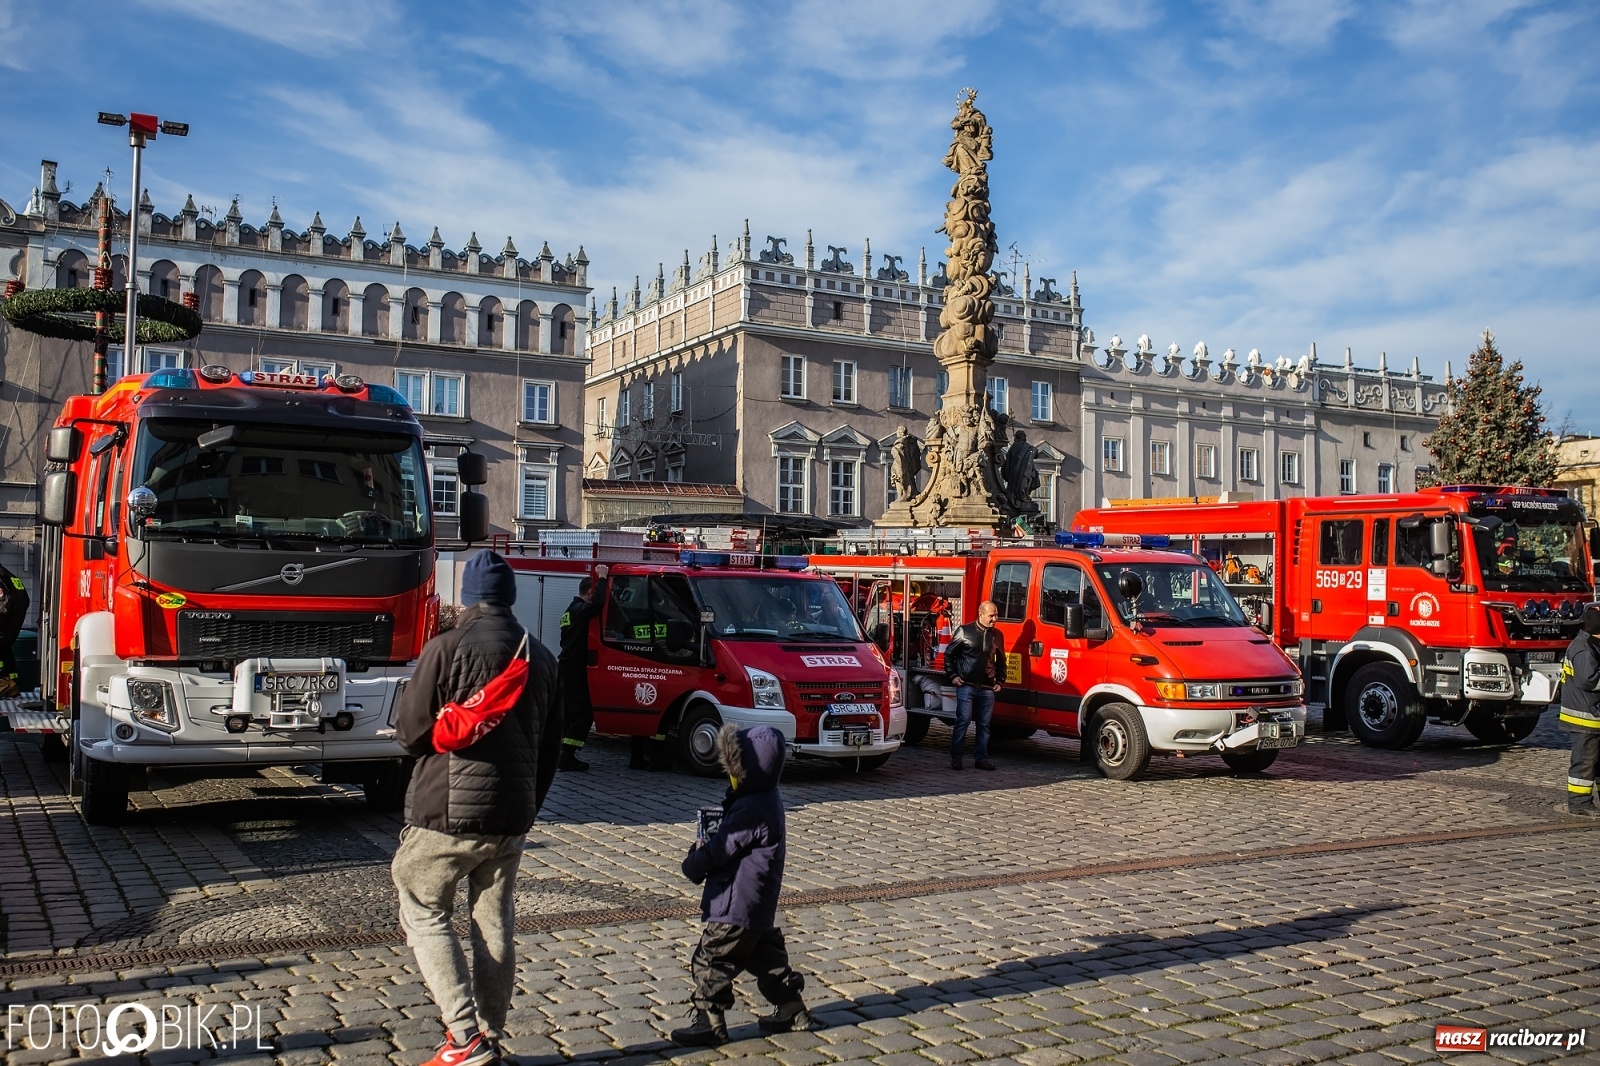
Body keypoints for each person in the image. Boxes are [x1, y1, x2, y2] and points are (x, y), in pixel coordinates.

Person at [392, 549, 563, 1066]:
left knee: (422, 907)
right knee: (494, 923)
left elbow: (410, 733)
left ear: (467, 597)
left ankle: (464, 1035)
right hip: (512, 815)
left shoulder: (446, 648)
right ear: (510, 597)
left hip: (447, 812)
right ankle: (489, 1034)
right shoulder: (542, 657)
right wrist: (527, 807)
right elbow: (551, 748)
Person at [673, 725, 813, 1047]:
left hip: (734, 903)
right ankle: (792, 1009)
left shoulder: (751, 808)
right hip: (756, 903)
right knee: (766, 959)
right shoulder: (767, 799)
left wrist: (693, 863)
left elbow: (722, 848)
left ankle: (709, 1022)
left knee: (711, 959)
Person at [557, 565, 609, 772]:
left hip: (567, 667)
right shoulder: (579, 610)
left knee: (570, 713)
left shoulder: (570, 610)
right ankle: (567, 756)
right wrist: (602, 578)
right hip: (574, 668)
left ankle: (563, 753)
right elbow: (598, 604)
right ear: (590, 591)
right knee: (583, 715)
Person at [943, 600, 1004, 771]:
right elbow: (949, 655)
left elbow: (1001, 661)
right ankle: (956, 757)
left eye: (996, 615)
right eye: (991, 615)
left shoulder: (997, 635)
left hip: (987, 688)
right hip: (966, 685)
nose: (995, 619)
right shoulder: (964, 631)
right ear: (981, 614)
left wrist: (1000, 681)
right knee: (963, 720)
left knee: (984, 725)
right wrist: (953, 676)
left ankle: (981, 759)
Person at [1558, 605, 1600, 817]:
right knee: (1585, 762)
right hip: (1585, 717)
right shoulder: (1583, 648)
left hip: (1592, 715)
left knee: (1596, 762)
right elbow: (1588, 681)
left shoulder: (1590, 644)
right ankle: (1579, 803)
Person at [0, 564, 30, 698]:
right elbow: (25, 599)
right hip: (13, 621)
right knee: (4, 649)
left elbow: (4, 602)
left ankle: (3, 683)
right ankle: (11, 684)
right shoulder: (9, 575)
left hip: (4, 619)